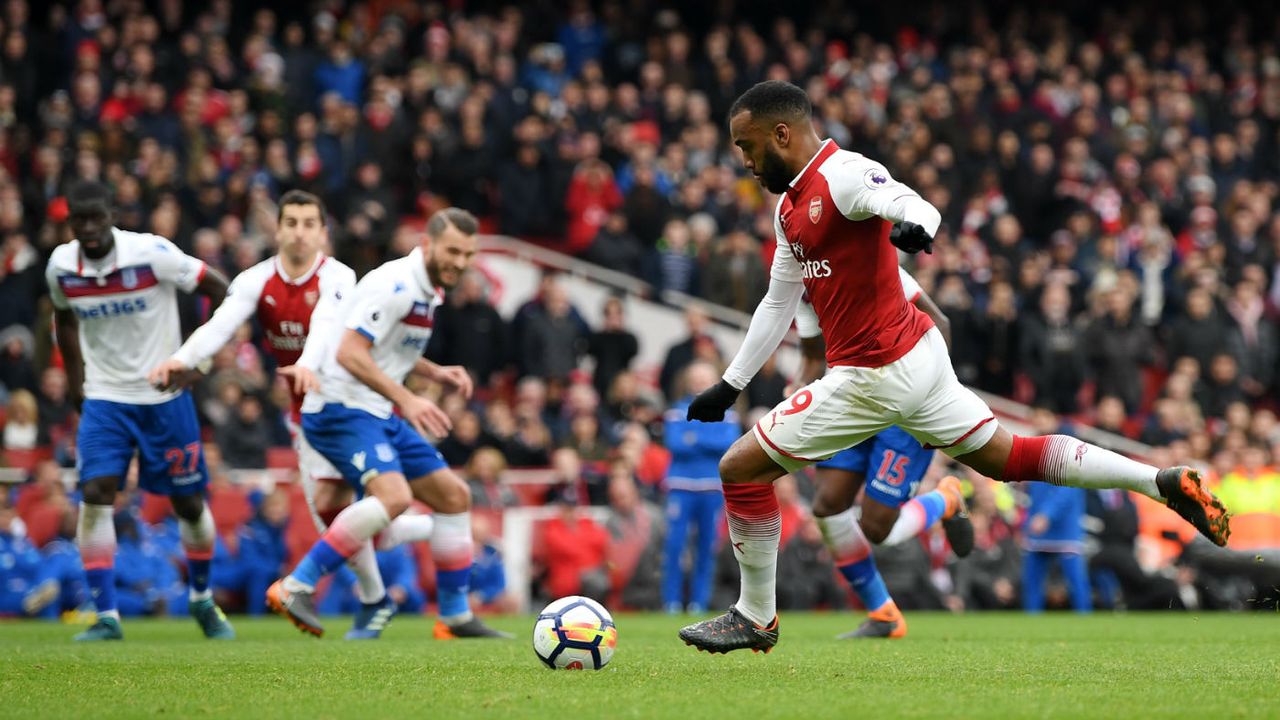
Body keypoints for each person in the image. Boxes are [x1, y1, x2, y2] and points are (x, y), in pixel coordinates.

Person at [678, 81, 1230, 654]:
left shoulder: (842, 174)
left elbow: (912, 203)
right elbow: (777, 302)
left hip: (875, 374)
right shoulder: (788, 209)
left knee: (740, 469)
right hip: (916, 364)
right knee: (1009, 456)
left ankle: (756, 616)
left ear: (781, 133)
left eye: (746, 145)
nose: (743, 160)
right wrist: (730, 382)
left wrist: (918, 228)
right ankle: (1159, 481)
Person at [148, 190, 434, 640]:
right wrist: (182, 360)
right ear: (277, 229)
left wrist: (307, 362)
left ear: (323, 233)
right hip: (305, 415)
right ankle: (389, 566)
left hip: (348, 403)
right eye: (292, 223)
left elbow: (324, 323)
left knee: (343, 513)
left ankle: (392, 556)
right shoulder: (256, 280)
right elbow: (221, 325)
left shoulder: (338, 275)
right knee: (332, 515)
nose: (299, 233)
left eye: (309, 224)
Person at [264, 207, 510, 640]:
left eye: (467, 254)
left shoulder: (429, 288)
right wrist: (408, 398)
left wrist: (433, 373)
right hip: (341, 408)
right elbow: (349, 352)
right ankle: (296, 586)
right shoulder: (394, 284)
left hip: (376, 410)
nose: (459, 261)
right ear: (428, 244)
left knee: (453, 495)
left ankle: (454, 617)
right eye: (452, 250)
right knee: (393, 497)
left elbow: (387, 348)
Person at [45, 180, 234, 642]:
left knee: (188, 504)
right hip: (106, 397)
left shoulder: (152, 253)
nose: (88, 229)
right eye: (79, 220)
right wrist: (76, 388)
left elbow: (222, 291)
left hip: (164, 394)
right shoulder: (61, 267)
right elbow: (65, 321)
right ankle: (107, 616)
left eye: (96, 217)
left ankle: (202, 599)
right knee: (95, 491)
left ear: (112, 215)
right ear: (70, 222)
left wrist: (198, 361)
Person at [797, 267, 973, 639]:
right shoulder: (802, 285)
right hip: (849, 401)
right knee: (827, 505)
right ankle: (883, 613)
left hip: (902, 406)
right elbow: (813, 356)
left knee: (877, 528)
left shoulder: (871, 263)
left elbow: (940, 323)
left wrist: (932, 396)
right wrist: (798, 392)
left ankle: (945, 500)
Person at [661, 361, 737, 614]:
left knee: (707, 547)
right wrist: (708, 437)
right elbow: (675, 444)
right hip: (681, 487)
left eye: (704, 377)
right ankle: (671, 602)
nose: (699, 382)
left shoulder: (728, 412)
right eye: (695, 377)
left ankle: (699, 603)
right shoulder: (675, 412)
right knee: (675, 545)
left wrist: (693, 436)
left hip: (712, 488)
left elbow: (728, 444)